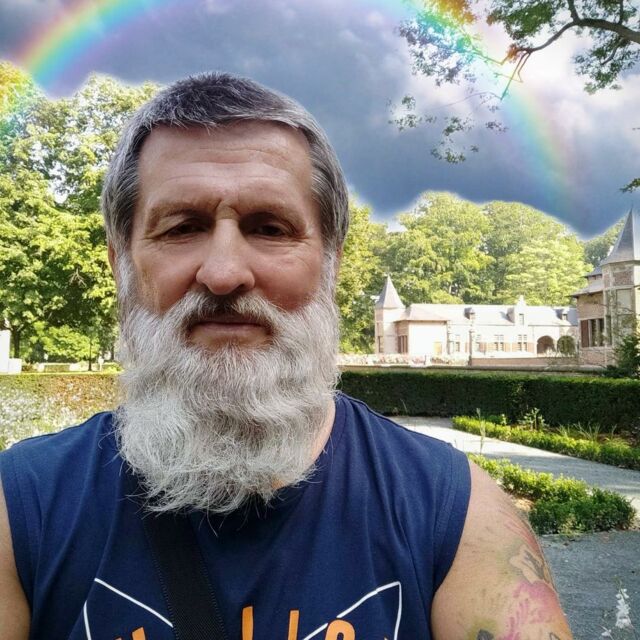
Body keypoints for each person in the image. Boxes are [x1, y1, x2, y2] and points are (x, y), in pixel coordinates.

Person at [0, 72, 573, 640]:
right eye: (182, 227)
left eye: (270, 228)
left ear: (331, 264)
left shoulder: (457, 516)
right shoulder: (21, 508)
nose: (224, 273)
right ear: (121, 264)